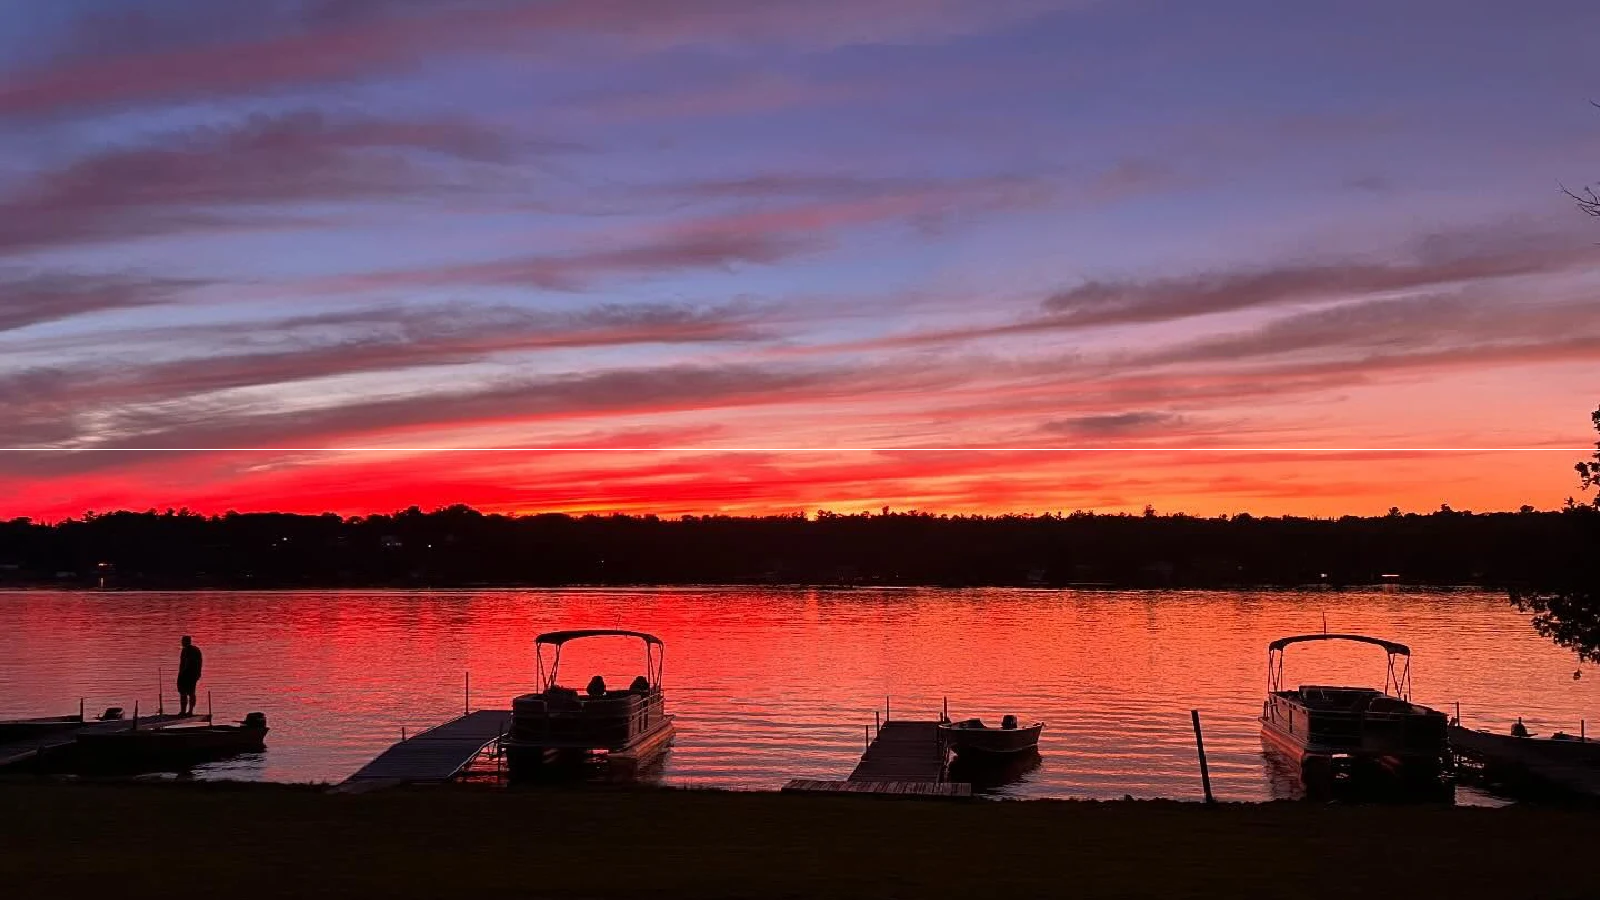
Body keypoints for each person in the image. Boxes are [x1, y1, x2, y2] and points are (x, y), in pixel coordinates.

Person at [177, 636, 203, 716]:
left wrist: (181, 674)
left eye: (183, 641)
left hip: (188, 675)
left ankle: (185, 711)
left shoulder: (188, 651)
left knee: (185, 693)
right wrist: (198, 673)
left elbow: (186, 664)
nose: (182, 642)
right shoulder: (193, 650)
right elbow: (200, 662)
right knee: (189, 693)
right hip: (193, 675)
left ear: (187, 641)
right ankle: (187, 711)